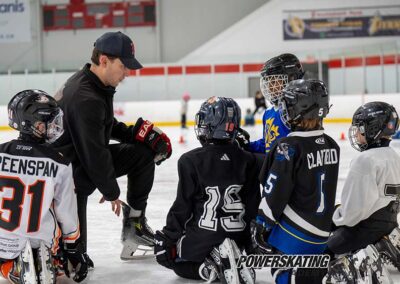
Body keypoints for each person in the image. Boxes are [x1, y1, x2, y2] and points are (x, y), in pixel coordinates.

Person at [53, 31, 172, 262]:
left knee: (142, 154)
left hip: (77, 163)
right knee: (74, 261)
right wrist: (111, 192)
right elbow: (94, 154)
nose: (126, 73)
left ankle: (134, 225)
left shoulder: (94, 83)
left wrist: (135, 135)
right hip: (67, 178)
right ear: (104, 60)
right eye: (123, 66)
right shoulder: (86, 97)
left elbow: (103, 126)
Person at [154, 97, 260, 283]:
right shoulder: (250, 160)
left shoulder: (190, 160)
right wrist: (252, 247)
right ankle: (232, 260)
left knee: (175, 263)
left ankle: (209, 268)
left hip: (204, 237)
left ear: (211, 125)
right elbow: (253, 206)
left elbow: (182, 208)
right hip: (239, 236)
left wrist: (168, 238)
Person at [254, 79, 340, 283]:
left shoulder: (288, 147)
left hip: (294, 237)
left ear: (299, 109)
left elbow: (274, 194)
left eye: (287, 104)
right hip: (321, 236)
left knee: (279, 273)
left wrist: (260, 225)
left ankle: (295, 274)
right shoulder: (332, 145)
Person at [0, 90, 88, 283]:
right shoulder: (59, 163)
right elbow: (66, 214)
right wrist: (73, 248)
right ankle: (46, 259)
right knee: (53, 221)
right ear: (35, 125)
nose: (55, 127)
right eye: (49, 122)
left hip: (2, 241)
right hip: (40, 239)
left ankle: (9, 265)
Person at [324, 102, 400, 282]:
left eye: (360, 129)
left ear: (373, 129)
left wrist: (334, 216)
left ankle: (362, 259)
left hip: (362, 231)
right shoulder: (394, 156)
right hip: (388, 223)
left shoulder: (364, 161)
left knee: (320, 253)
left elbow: (352, 215)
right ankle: (382, 243)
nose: (356, 134)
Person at [237, 53, 305, 155]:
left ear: (291, 79)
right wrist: (247, 145)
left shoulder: (299, 109)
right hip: (274, 168)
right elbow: (267, 144)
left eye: (274, 82)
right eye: (268, 82)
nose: (269, 87)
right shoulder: (268, 112)